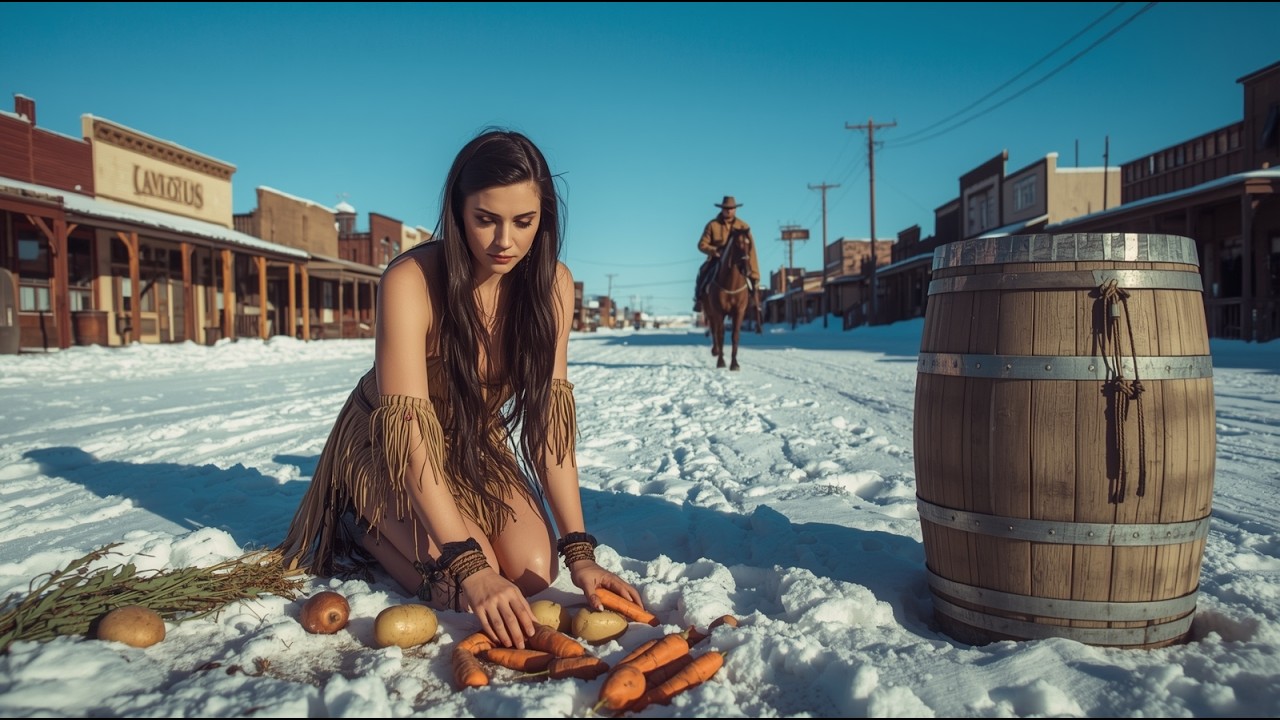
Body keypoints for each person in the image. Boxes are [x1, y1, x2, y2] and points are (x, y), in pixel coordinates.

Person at [277, 128, 643, 649]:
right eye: (485, 219)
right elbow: (409, 436)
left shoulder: (553, 286)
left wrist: (579, 553)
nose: (504, 241)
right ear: (457, 211)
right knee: (463, 587)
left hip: (474, 437)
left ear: (544, 218)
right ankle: (360, 518)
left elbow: (547, 425)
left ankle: (435, 538)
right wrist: (469, 563)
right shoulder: (410, 279)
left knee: (534, 573)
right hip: (390, 445)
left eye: (524, 221)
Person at [693, 195, 761, 313]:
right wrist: (714, 251)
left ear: (735, 209)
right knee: (703, 270)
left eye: (731, 208)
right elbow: (701, 245)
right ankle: (699, 300)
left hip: (739, 261)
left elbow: (751, 249)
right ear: (722, 209)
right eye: (726, 208)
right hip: (717, 259)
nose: (729, 210)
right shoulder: (712, 225)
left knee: (751, 279)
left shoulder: (743, 226)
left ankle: (754, 301)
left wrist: (754, 273)